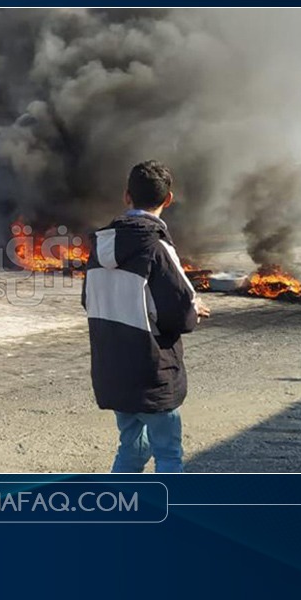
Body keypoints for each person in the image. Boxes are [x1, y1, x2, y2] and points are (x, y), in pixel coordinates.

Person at [82, 160, 211, 473]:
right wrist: (194, 310)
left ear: (127, 197)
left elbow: (90, 301)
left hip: (114, 370)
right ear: (168, 199)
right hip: (152, 373)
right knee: (168, 454)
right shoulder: (157, 248)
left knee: (132, 448)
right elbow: (179, 313)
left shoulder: (99, 248)